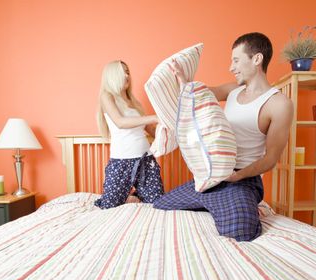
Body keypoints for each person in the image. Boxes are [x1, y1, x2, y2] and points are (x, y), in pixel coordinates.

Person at [153, 32, 293, 241]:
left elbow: (270, 159)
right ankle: (217, 203)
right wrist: (182, 78)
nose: (231, 67)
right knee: (161, 204)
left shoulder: (279, 104)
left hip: (242, 180)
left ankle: (224, 203)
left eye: (236, 60)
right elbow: (197, 94)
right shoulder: (232, 91)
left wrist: (238, 176)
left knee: (242, 231)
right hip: (214, 177)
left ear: (256, 59)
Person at [94, 60, 164, 209]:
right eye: (122, 72)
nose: (127, 75)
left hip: (145, 159)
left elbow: (150, 130)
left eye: (128, 72)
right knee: (108, 206)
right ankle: (131, 195)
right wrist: (153, 117)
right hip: (121, 161)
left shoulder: (134, 102)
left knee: (157, 203)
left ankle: (135, 195)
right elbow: (120, 122)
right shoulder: (107, 96)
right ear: (113, 76)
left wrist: (167, 127)